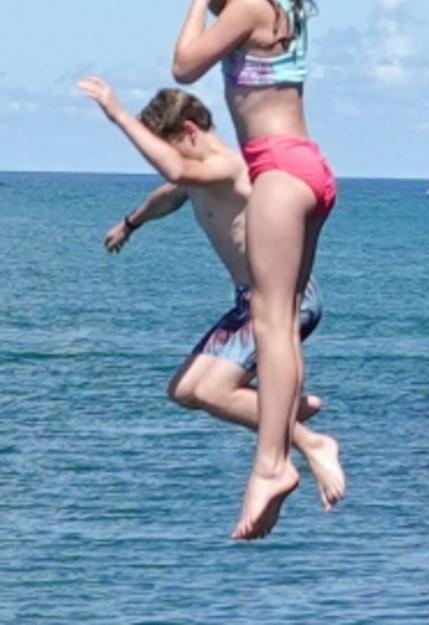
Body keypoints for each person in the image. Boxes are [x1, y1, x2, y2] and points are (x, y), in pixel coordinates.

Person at [78, 79, 346, 517]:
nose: (168, 166)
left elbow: (179, 175)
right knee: (184, 391)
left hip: (283, 299)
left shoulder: (229, 166)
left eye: (169, 152)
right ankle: (284, 406)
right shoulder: (194, 176)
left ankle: (309, 441)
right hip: (248, 302)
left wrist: (118, 114)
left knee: (215, 392)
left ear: (189, 132)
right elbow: (169, 194)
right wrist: (131, 223)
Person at [172, 0, 355, 540]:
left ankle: (272, 464)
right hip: (306, 169)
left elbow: (184, 65)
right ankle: (293, 447)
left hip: (278, 169)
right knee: (283, 331)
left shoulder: (250, 4)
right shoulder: (276, 3)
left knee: (271, 322)